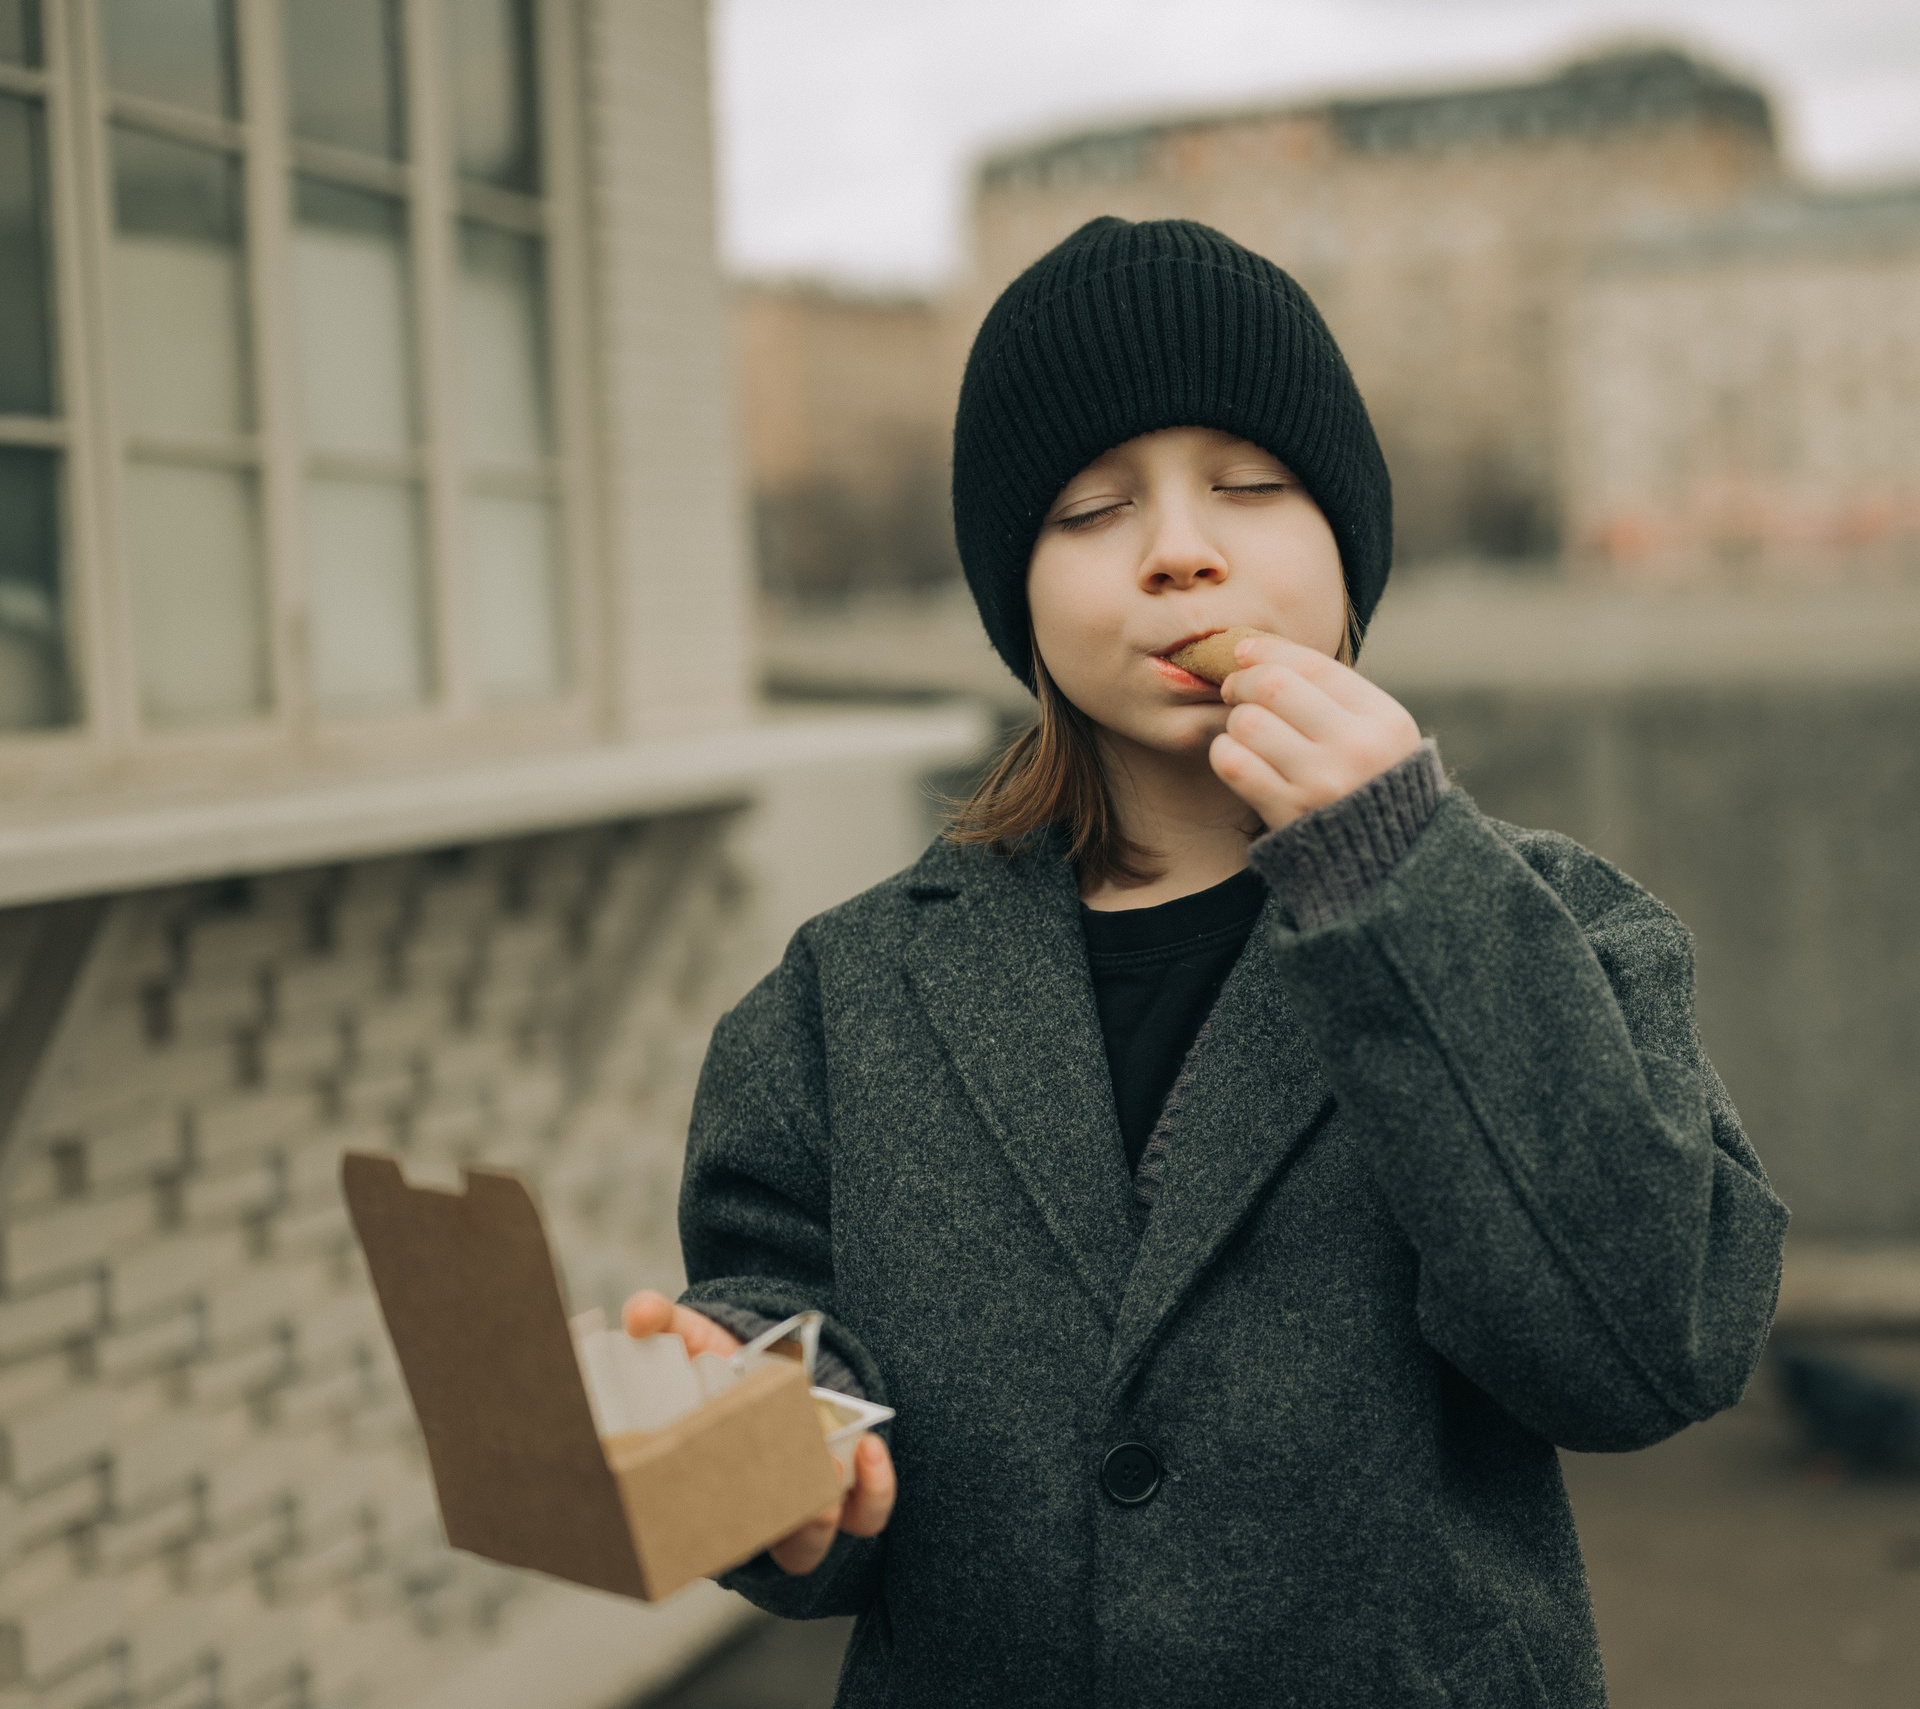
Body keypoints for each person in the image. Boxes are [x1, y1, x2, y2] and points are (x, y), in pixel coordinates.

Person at [619, 216, 1786, 1707]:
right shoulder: (846, 997)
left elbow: (1649, 1347)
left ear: (1350, 550)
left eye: (1251, 484)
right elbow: (795, 1353)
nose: (1182, 549)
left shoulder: (1554, 924)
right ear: (1018, 602)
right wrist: (768, 1444)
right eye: (1093, 509)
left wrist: (1404, 880)